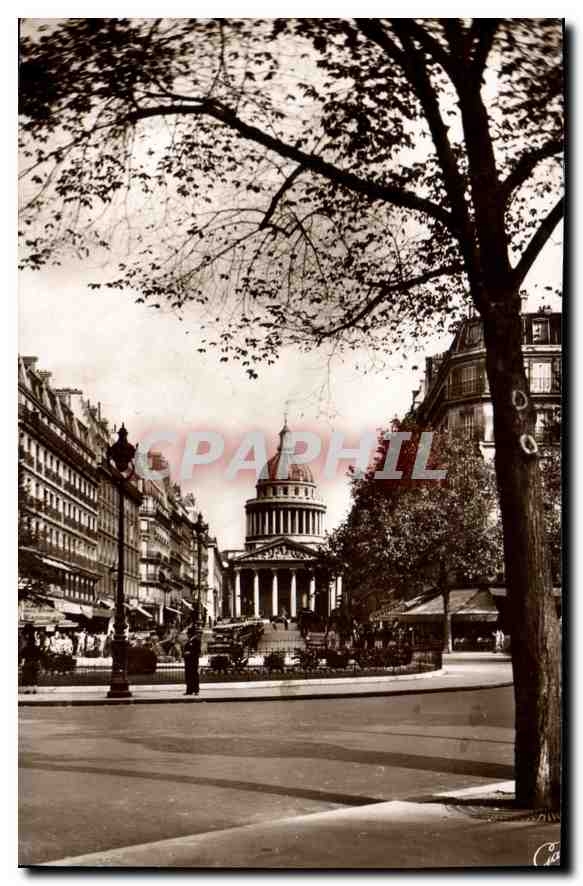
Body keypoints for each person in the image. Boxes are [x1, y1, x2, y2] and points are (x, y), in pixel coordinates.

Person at [183, 626, 202, 696]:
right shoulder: (189, 641)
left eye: (188, 634)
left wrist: (190, 653)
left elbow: (197, 651)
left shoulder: (196, 641)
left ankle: (195, 690)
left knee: (194, 675)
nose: (187, 635)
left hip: (193, 661)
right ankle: (189, 690)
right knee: (188, 676)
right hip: (188, 661)